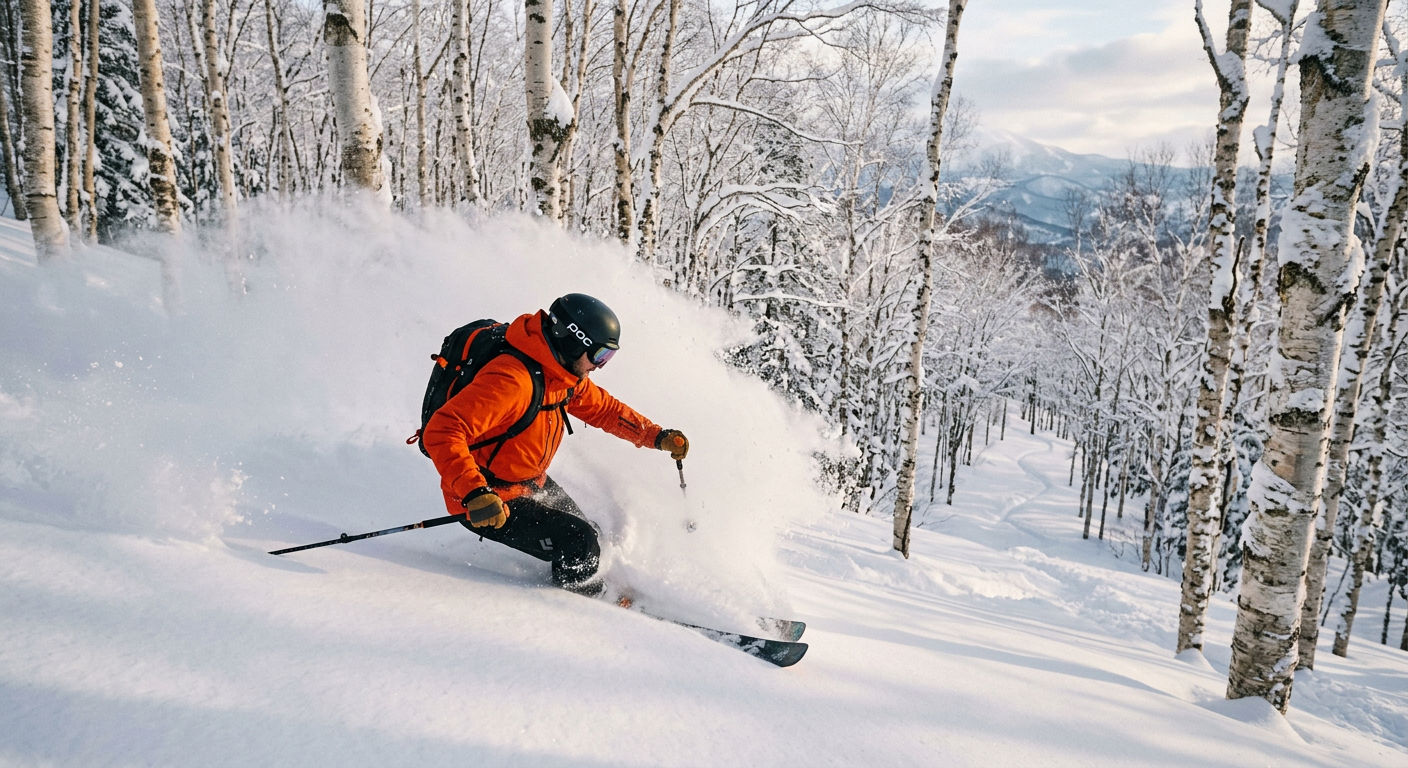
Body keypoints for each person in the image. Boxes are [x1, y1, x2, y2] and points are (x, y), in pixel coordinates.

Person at [421, 293, 688, 596]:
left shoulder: (561, 375)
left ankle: (595, 585)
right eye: (599, 355)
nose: (600, 366)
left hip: (528, 481)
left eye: (608, 358)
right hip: (488, 498)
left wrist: (655, 435)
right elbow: (442, 430)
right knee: (579, 542)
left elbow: (605, 410)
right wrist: (474, 492)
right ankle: (583, 607)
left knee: (591, 536)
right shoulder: (513, 381)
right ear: (574, 341)